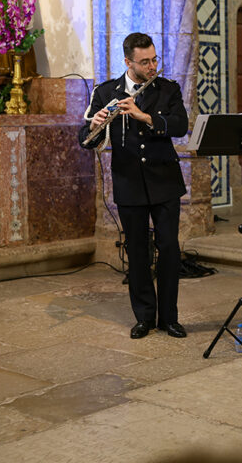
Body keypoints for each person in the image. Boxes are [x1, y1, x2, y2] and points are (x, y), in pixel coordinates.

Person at [79, 32, 189, 339]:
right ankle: (144, 317)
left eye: (155, 59)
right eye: (145, 61)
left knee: (168, 248)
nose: (152, 65)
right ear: (128, 62)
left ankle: (169, 318)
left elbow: (180, 125)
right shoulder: (105, 92)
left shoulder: (168, 89)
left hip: (165, 182)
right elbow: (85, 140)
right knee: (137, 251)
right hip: (129, 183)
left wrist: (144, 116)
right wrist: (95, 125)